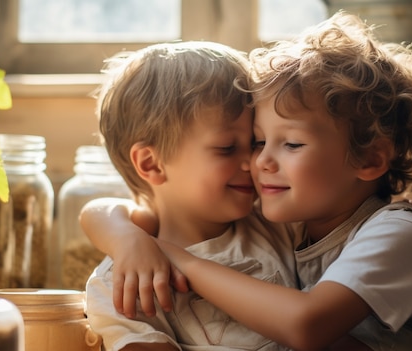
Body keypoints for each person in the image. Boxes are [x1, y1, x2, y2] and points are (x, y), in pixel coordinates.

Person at [83, 12, 412, 351]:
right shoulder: (289, 223)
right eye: (253, 143)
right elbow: (118, 212)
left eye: (286, 145)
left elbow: (306, 326)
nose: (257, 164)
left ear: (371, 158)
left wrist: (167, 255)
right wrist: (126, 238)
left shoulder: (390, 234)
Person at [83, 40, 315, 351]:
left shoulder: (279, 225)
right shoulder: (123, 282)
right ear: (152, 164)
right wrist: (126, 239)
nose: (254, 162)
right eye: (227, 148)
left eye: (256, 143)